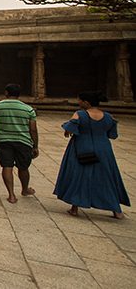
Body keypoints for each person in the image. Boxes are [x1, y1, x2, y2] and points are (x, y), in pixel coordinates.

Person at [53, 91, 130, 219]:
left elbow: (70, 128)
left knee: (79, 175)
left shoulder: (80, 114)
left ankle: (75, 208)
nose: (78, 102)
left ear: (86, 102)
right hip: (103, 149)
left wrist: (69, 130)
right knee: (106, 177)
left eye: (80, 100)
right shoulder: (108, 116)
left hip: (83, 147)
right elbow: (112, 135)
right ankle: (116, 210)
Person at [0, 83, 38, 203]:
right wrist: (35, 145)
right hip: (23, 141)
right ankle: (25, 189)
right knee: (23, 167)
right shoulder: (28, 109)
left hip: (3, 140)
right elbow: (33, 129)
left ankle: (11, 195)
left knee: (7, 166)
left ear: (6, 92)